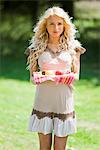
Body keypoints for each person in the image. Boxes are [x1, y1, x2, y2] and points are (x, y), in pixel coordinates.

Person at [25, 6, 86, 150]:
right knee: (44, 148)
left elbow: (76, 75)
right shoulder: (36, 48)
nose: (56, 28)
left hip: (64, 101)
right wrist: (44, 76)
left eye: (59, 24)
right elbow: (32, 78)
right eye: (51, 23)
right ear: (45, 26)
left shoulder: (73, 47)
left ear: (65, 26)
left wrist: (62, 77)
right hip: (43, 101)